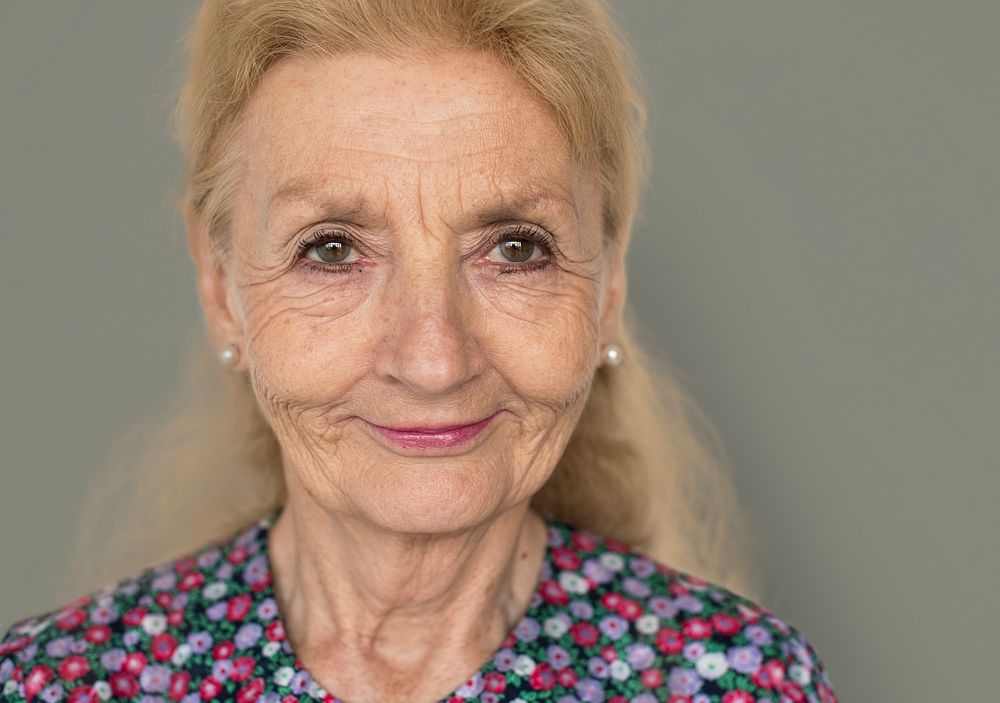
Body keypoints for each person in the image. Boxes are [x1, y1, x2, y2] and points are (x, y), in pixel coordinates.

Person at [0, 1, 838, 702]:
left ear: (609, 282)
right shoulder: (54, 683)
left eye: (516, 248)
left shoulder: (741, 682)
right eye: (331, 249)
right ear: (222, 288)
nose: (433, 360)